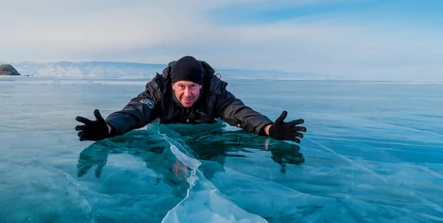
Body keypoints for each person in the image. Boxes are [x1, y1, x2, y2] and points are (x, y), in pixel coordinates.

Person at [75, 56, 305, 143]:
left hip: (207, 140)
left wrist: (267, 128)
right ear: (172, 85)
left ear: (201, 85)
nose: (188, 94)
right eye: (182, 86)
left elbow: (239, 113)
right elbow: (135, 112)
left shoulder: (215, 94)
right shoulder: (158, 93)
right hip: (167, 139)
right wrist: (108, 127)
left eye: (193, 86)